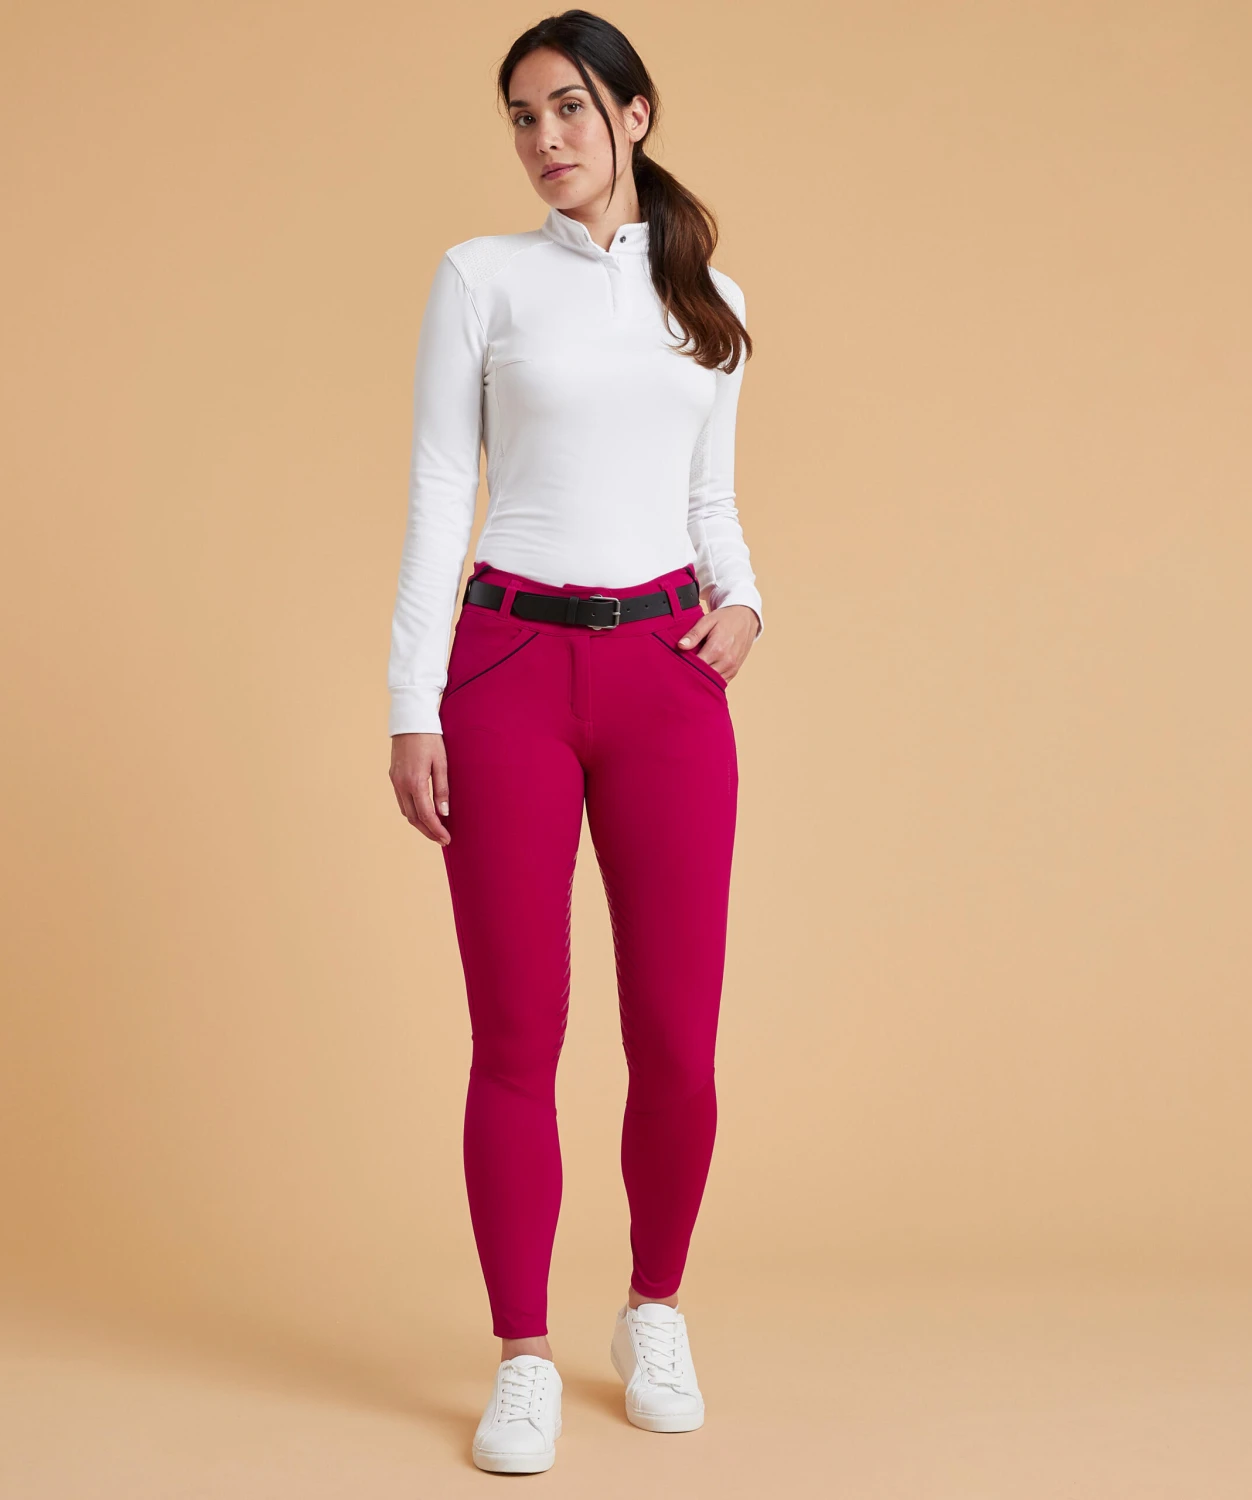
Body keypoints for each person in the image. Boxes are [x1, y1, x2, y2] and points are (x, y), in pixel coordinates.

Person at [385, 11, 765, 1475]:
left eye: (567, 109)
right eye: (521, 117)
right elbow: (440, 490)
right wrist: (412, 703)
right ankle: (523, 1354)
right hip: (506, 671)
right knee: (516, 1034)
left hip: (666, 677)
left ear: (633, 116)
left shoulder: (709, 300)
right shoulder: (479, 279)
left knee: (676, 1036)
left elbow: (711, 499)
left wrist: (748, 600)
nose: (543, 139)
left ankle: (654, 1308)